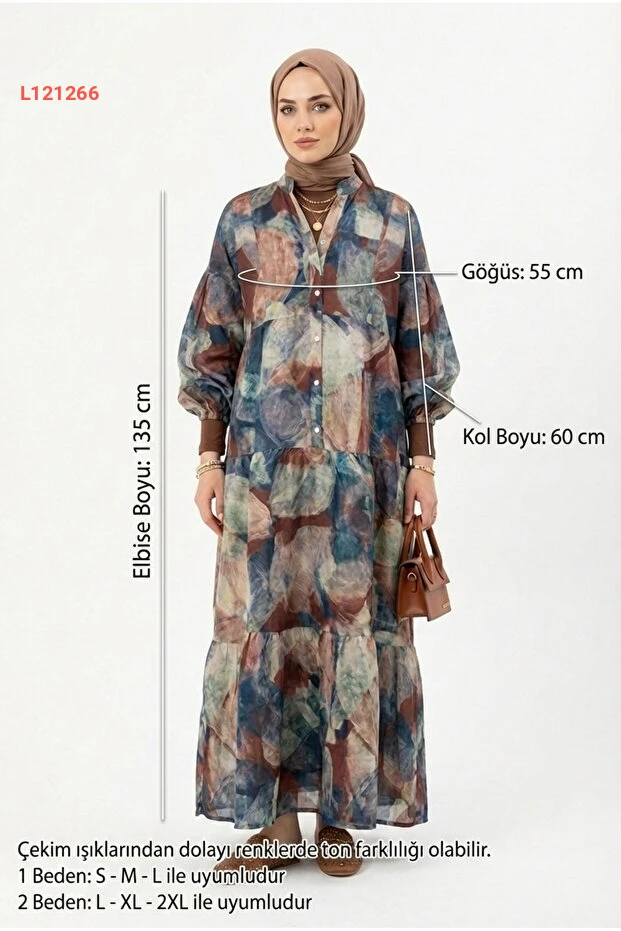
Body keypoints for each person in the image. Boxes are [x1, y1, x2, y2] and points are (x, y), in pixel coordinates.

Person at [177, 47, 460, 877]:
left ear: (347, 111)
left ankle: (340, 816)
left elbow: (420, 349)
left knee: (351, 631)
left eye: (319, 106)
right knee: (258, 631)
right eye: (287, 108)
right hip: (260, 478)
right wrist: (206, 460)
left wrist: (424, 466)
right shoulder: (243, 220)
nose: (302, 123)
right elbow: (213, 344)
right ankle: (271, 823)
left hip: (360, 478)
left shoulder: (392, 221)